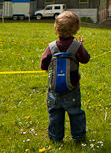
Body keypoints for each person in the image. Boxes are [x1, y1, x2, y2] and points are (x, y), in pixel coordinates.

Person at [40, 11, 90, 143]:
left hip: (54, 89)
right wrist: (81, 46)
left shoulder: (51, 47)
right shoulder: (76, 46)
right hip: (72, 88)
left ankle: (56, 139)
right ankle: (79, 138)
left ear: (56, 29)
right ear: (75, 30)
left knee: (55, 114)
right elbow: (85, 59)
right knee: (75, 113)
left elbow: (43, 65)